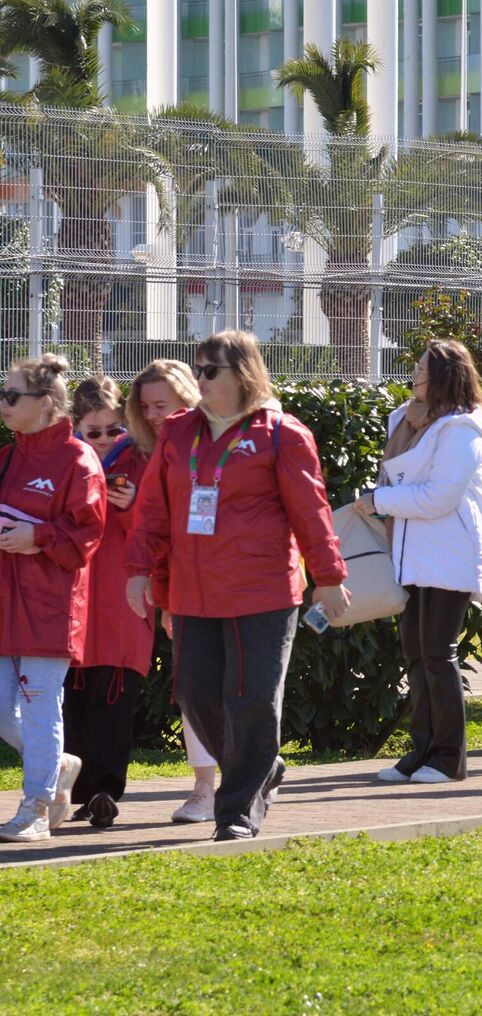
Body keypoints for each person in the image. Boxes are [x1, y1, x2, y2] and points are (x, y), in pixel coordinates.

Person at [125, 332, 348, 841]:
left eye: (210, 371)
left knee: (250, 698)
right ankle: (260, 767)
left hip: (262, 591)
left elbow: (310, 513)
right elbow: (153, 511)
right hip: (194, 591)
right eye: (197, 369)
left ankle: (238, 809)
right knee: (196, 694)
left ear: (242, 373)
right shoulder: (180, 433)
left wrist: (329, 576)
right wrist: (139, 571)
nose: (199, 380)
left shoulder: (282, 433)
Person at [360, 341, 482, 785]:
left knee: (438, 654)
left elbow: (440, 496)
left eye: (420, 372)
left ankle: (448, 757)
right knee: (416, 656)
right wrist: (384, 499)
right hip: (414, 553)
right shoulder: (412, 421)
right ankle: (420, 752)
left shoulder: (460, 429)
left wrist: (380, 500)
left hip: (448, 555)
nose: (413, 379)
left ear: (440, 379)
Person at [0, 355, 104, 843]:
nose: (3, 403)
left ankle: (37, 808)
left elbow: (88, 534)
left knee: (41, 708)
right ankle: (57, 763)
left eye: (11, 395)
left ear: (43, 405)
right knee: (4, 710)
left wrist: (36, 535)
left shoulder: (78, 459)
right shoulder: (7, 457)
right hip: (5, 603)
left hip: (48, 606)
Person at [124, 359, 220, 823]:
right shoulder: (142, 451)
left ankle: (257, 765)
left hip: (241, 584)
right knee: (192, 690)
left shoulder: (230, 441)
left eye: (162, 404)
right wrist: (163, 594)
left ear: (190, 397)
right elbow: (156, 531)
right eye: (144, 407)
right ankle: (204, 789)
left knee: (244, 690)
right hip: (183, 588)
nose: (154, 415)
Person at [63, 375, 149, 828]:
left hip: (121, 600)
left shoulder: (139, 462)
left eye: (113, 430)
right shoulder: (67, 462)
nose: (102, 440)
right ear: (75, 428)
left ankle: (106, 789)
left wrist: (133, 504)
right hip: (73, 598)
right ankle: (79, 790)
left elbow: (158, 527)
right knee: (72, 700)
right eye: (91, 432)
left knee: (113, 697)